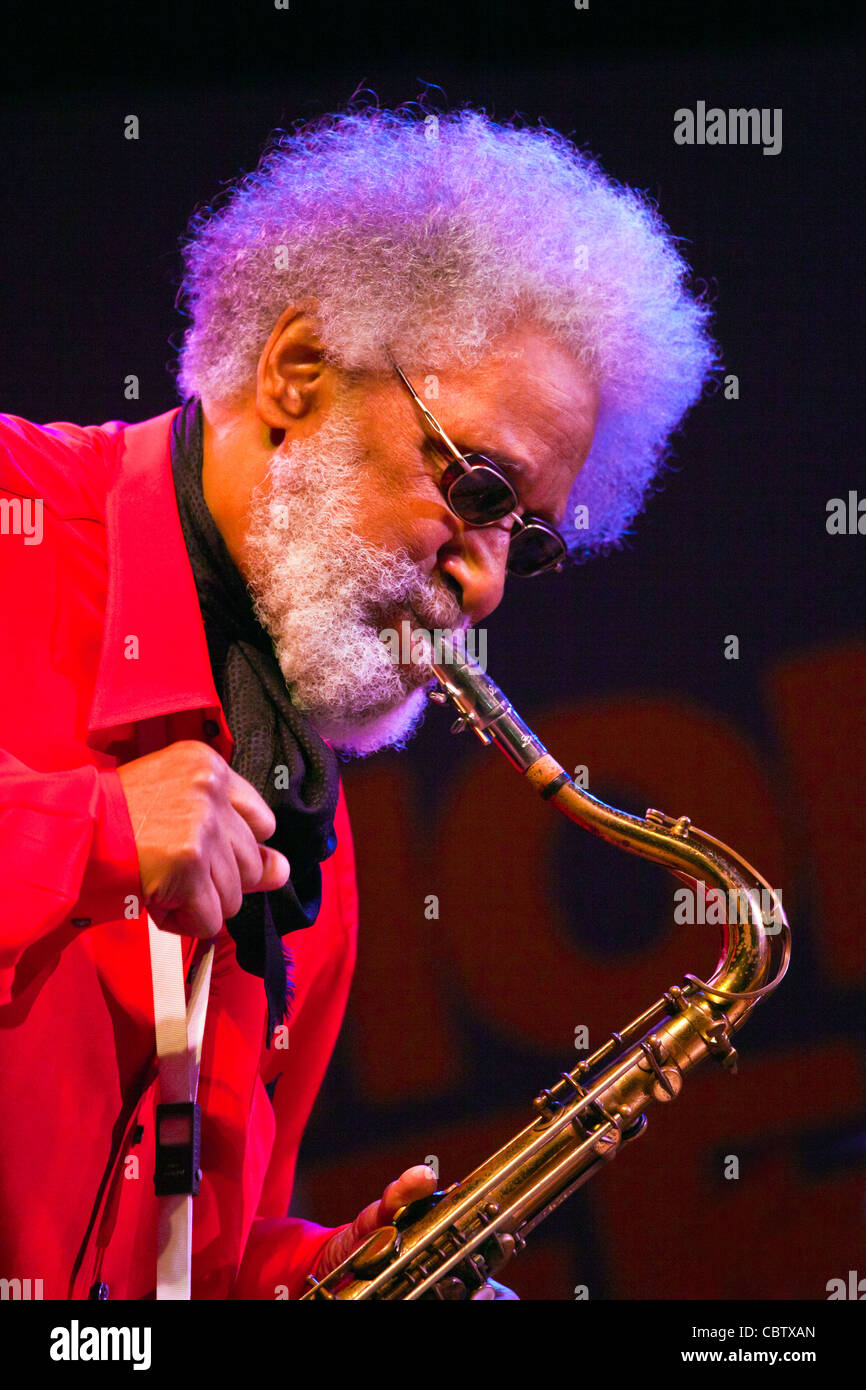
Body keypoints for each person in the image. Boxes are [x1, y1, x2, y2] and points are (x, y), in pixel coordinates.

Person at [0, 106, 716, 1300]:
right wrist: (84, 836)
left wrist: (325, 1280)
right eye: (476, 485)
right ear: (297, 371)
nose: (484, 579)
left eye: (525, 543)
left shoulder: (303, 842)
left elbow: (169, 1277)